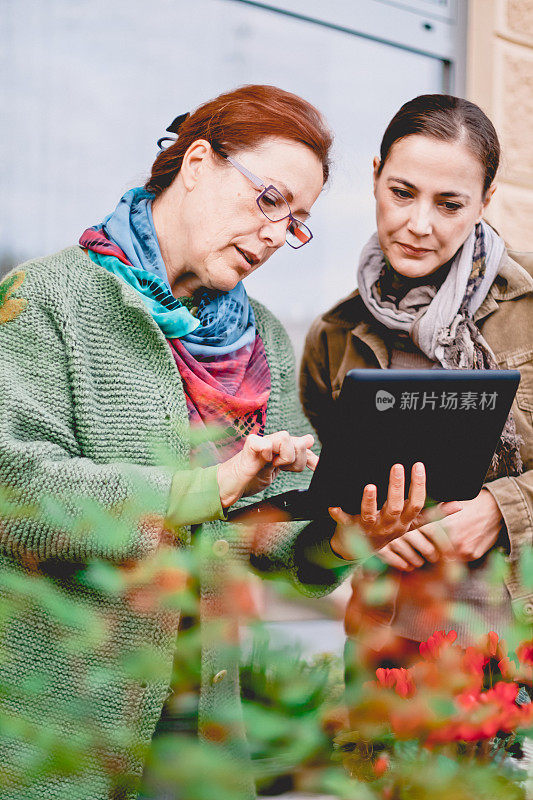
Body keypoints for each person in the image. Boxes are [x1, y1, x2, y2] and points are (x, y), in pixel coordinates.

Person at [0, 85, 435, 800]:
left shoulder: (258, 333)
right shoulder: (47, 299)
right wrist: (204, 489)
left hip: (203, 717)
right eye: (269, 199)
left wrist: (340, 534)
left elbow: (267, 524)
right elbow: (16, 491)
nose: (273, 235)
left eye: (295, 222)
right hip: (63, 717)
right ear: (197, 162)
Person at [301, 94, 533, 656]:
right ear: (376, 177)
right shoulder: (335, 336)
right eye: (402, 193)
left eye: (449, 204)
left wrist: (501, 511)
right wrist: (358, 538)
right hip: (389, 651)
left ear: (485, 201)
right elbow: (310, 521)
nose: (418, 224)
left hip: (515, 647)